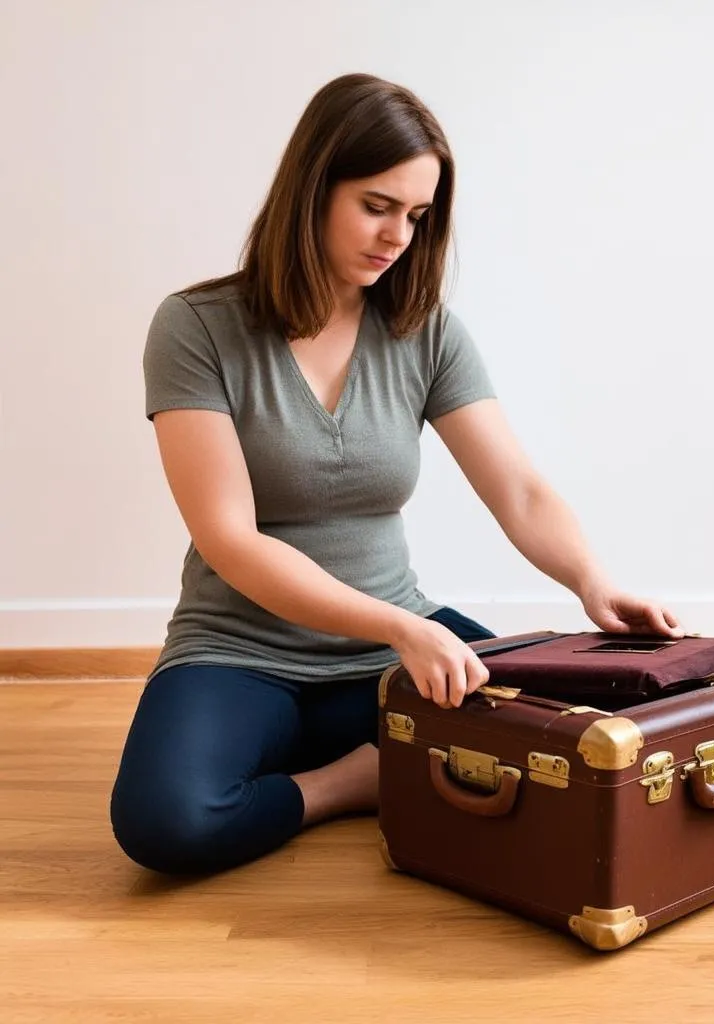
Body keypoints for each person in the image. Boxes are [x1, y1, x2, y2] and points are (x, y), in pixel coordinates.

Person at [110, 72, 684, 876]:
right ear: (311, 189)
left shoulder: (426, 332)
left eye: (416, 216)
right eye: (377, 206)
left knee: (592, 741)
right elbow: (229, 539)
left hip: (392, 648)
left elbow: (518, 490)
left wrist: (591, 581)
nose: (396, 237)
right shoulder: (195, 328)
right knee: (167, 823)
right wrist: (398, 629)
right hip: (242, 651)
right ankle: (353, 783)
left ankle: (377, 760)